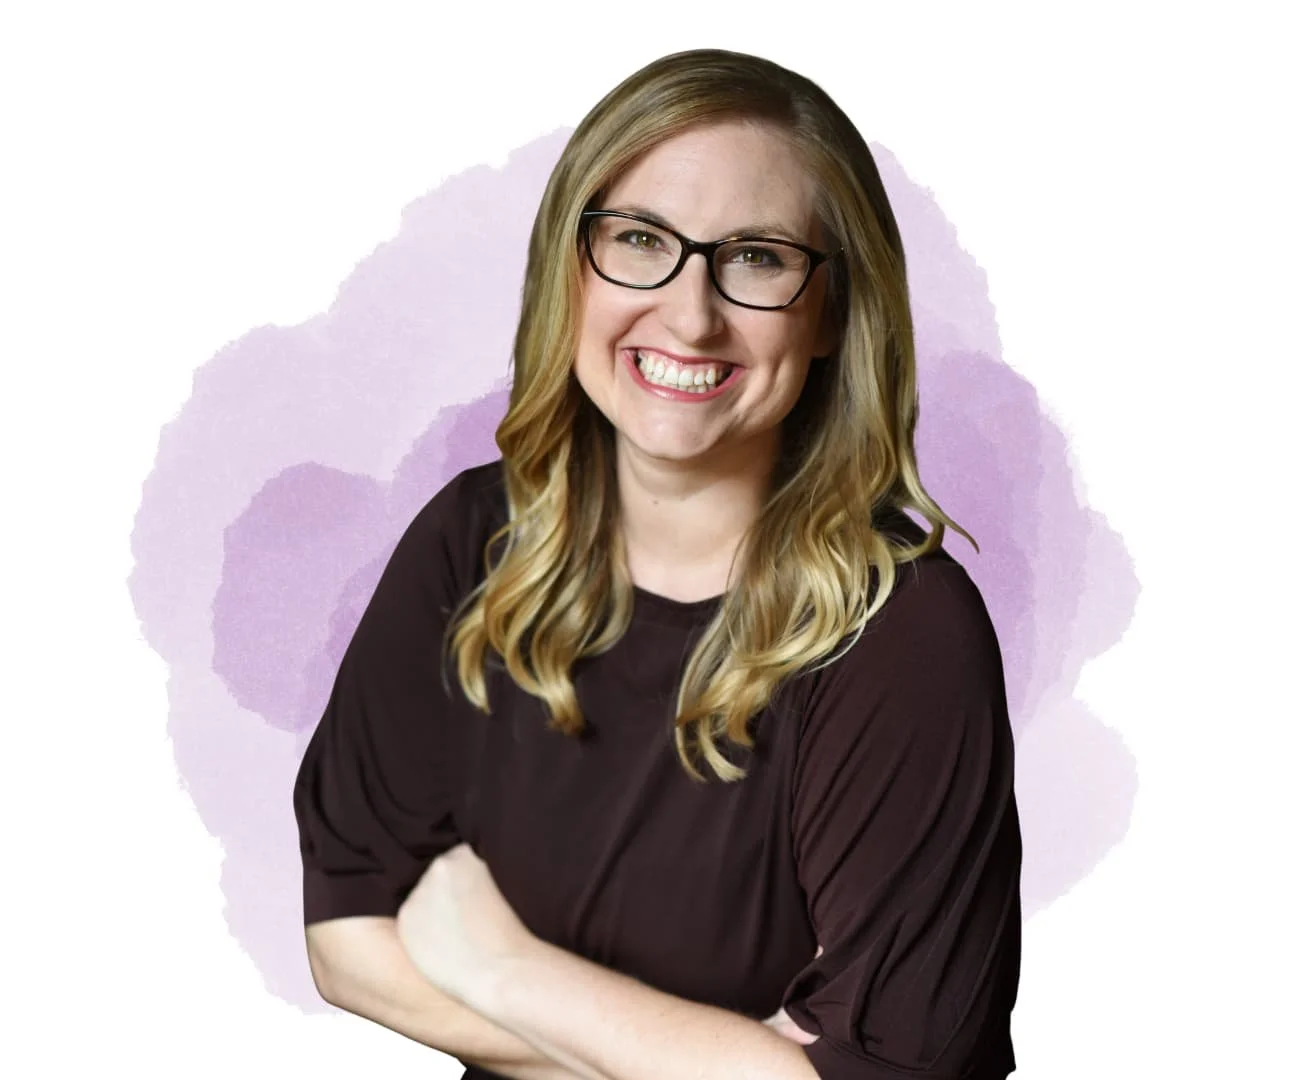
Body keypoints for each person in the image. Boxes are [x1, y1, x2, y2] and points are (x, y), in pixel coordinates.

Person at [292, 47, 1022, 1080]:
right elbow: (347, 939)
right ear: (570, 268)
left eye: (758, 257)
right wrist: (721, 1062)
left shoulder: (901, 631)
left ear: (827, 313)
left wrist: (501, 968)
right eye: (639, 240)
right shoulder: (472, 545)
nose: (689, 314)